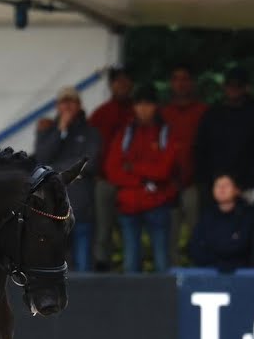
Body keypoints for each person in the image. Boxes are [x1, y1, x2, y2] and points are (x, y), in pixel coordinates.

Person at [102, 83, 178, 273]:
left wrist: (132, 167)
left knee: (162, 262)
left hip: (157, 203)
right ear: (134, 107)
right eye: (139, 104)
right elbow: (112, 170)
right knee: (130, 263)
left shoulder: (165, 132)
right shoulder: (125, 133)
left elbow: (164, 170)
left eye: (148, 104)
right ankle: (131, 303)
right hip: (130, 203)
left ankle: (164, 302)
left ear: (156, 106)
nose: (143, 109)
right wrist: (142, 180)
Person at [35, 86, 101, 272]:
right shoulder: (47, 131)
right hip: (54, 212)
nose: (68, 106)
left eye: (72, 102)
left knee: (83, 264)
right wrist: (60, 131)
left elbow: (89, 162)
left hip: (82, 208)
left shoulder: (91, 132)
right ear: (57, 106)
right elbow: (41, 161)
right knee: (58, 267)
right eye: (64, 102)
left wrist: (54, 171)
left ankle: (86, 301)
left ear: (79, 106)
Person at [194, 66, 254, 207]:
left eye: (238, 85)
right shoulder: (212, 114)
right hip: (215, 182)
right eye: (230, 85)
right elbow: (201, 148)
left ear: (246, 87)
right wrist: (207, 181)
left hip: (247, 184)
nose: (233, 89)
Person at [161, 63, 209, 268]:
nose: (180, 83)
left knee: (197, 229)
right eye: (176, 79)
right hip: (168, 182)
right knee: (170, 233)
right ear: (171, 83)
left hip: (193, 182)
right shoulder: (163, 112)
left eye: (184, 79)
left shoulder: (202, 111)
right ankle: (172, 275)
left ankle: (199, 270)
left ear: (191, 83)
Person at [89, 66, 134, 271]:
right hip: (105, 179)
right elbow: (90, 148)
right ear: (111, 85)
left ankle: (131, 265)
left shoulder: (138, 112)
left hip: (132, 181)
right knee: (103, 227)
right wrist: (97, 173)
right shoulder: (101, 114)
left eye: (126, 81)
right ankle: (102, 265)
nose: (122, 85)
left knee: (129, 227)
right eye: (118, 82)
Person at [188, 173, 254, 273]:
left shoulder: (247, 215)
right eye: (218, 185)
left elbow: (244, 246)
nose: (221, 189)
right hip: (209, 271)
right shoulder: (207, 216)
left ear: (236, 190)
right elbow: (195, 246)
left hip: (241, 272)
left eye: (226, 185)